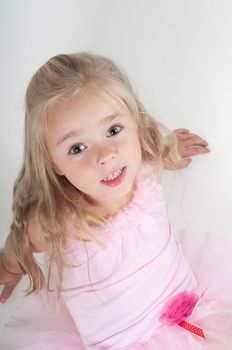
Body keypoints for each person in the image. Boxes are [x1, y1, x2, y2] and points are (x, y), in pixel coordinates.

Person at [0, 52, 231, 350]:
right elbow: (20, 243)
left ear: (134, 122)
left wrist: (170, 148)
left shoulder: (142, 168)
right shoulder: (55, 223)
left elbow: (151, 150)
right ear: (53, 163)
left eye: (113, 130)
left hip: (188, 306)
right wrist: (8, 266)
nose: (106, 155)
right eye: (77, 147)